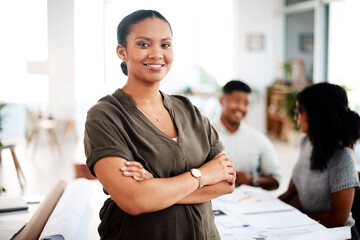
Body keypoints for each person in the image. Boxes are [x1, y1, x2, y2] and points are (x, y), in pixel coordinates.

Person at [84, 10, 236, 240]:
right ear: (122, 52)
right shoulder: (105, 116)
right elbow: (134, 200)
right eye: (143, 44)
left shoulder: (189, 110)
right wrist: (202, 175)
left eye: (165, 45)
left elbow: (226, 182)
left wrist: (155, 187)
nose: (156, 54)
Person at [279, 82, 360, 239]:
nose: (296, 117)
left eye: (300, 111)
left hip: (337, 235)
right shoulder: (305, 142)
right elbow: (292, 190)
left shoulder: (343, 158)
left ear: (318, 115)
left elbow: (338, 220)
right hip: (309, 228)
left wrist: (297, 217)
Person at [212, 80, 281, 190]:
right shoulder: (204, 134)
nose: (241, 107)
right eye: (236, 101)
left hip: (248, 203)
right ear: (221, 100)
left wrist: (252, 180)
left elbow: (276, 181)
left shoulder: (258, 139)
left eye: (246, 103)